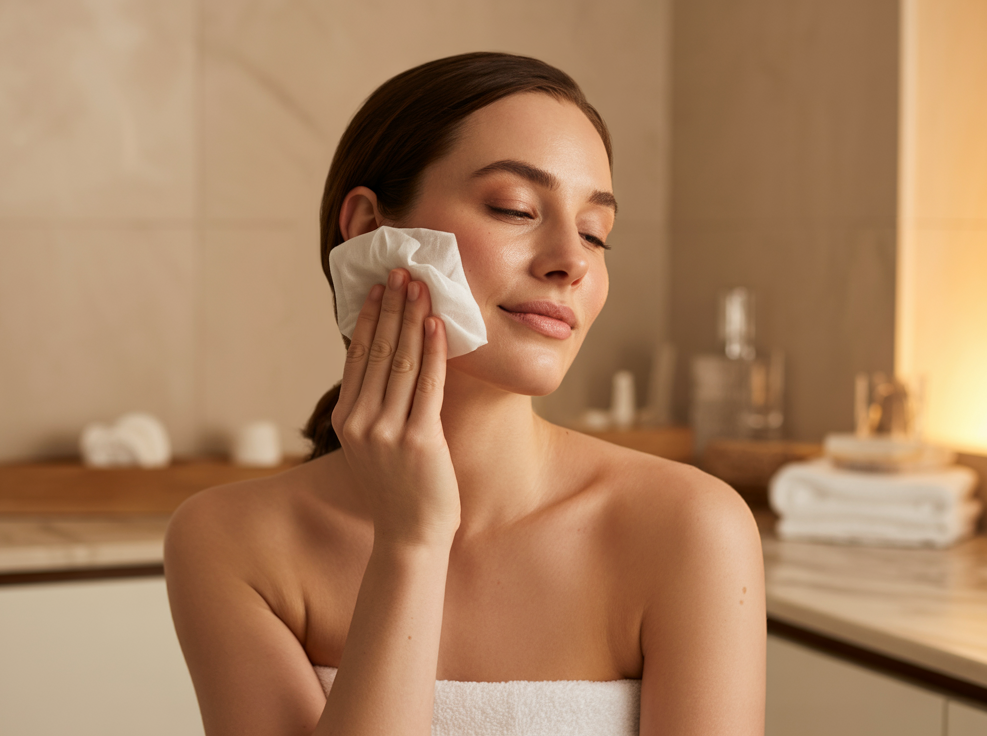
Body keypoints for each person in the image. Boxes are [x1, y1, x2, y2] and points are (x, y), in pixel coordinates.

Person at [164, 52, 765, 735]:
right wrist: (412, 543)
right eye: (515, 209)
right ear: (368, 230)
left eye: (597, 233)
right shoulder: (231, 543)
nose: (571, 259)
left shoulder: (689, 528)